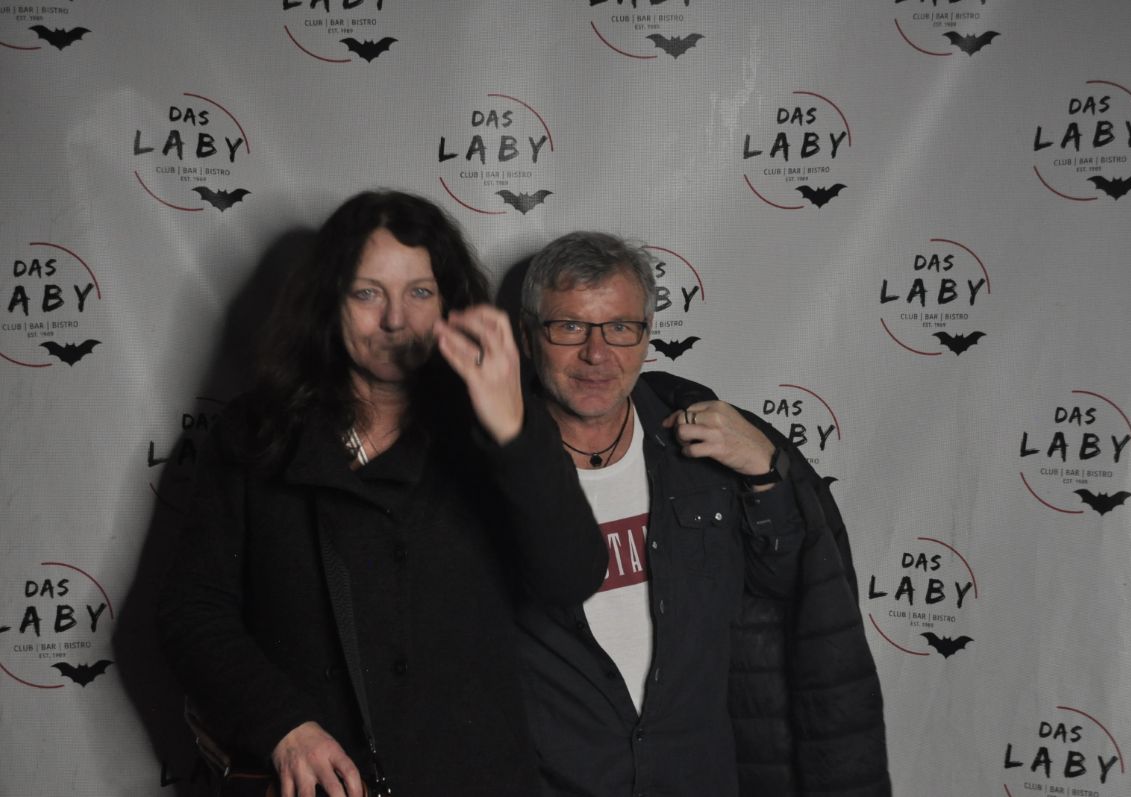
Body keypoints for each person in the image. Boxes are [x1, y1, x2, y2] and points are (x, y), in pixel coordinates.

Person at [157, 191, 606, 797]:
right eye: (367, 293)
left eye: (419, 292)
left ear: (448, 302)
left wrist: (512, 432)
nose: (395, 320)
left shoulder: (499, 424)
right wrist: (283, 726)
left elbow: (571, 576)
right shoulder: (255, 433)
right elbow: (192, 612)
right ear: (328, 300)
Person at [516, 231, 891, 797]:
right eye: (570, 327)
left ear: (647, 335)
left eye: (620, 328)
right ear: (528, 337)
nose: (597, 353)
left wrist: (767, 471)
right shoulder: (489, 466)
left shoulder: (704, 445)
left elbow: (790, 591)